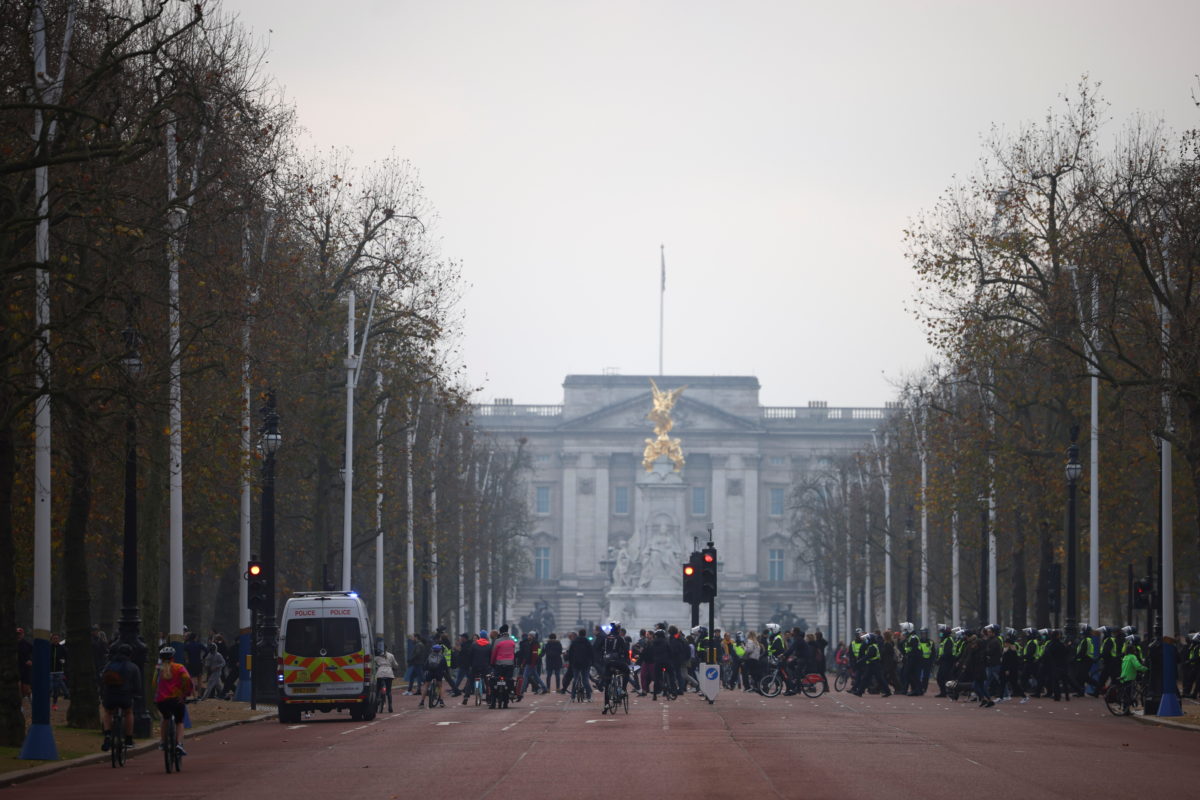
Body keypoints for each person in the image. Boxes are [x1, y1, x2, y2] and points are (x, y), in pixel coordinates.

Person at [99, 643, 141, 751]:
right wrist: (136, 694)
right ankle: (128, 739)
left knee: (108, 712)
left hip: (109, 695)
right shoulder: (133, 667)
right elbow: (137, 685)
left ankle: (107, 734)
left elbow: (102, 679)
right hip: (125, 696)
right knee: (128, 712)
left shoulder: (109, 665)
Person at [154, 646, 193, 756]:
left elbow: (153, 683)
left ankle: (162, 741)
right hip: (176, 699)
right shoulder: (179, 667)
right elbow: (188, 681)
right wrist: (185, 693)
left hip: (162, 700)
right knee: (179, 722)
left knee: (165, 718)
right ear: (173, 657)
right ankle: (179, 744)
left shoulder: (158, 668)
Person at [462, 630, 492, 705]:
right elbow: (491, 657)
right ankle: (489, 698)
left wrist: (470, 665)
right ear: (486, 637)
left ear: (480, 636)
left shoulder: (474, 644)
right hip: (485, 667)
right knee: (488, 682)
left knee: (470, 680)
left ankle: (466, 696)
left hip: (475, 666)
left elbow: (470, 655)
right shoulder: (489, 645)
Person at [566, 627, 593, 700]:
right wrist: (591, 662)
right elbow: (591, 653)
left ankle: (573, 696)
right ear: (585, 634)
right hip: (585, 663)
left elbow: (570, 653)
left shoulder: (574, 642)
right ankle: (589, 696)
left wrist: (571, 662)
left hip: (576, 663)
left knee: (575, 679)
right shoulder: (588, 642)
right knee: (585, 680)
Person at [421, 643, 449, 708]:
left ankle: (422, 702)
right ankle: (441, 702)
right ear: (440, 650)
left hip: (430, 672)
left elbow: (425, 666)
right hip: (438, 673)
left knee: (426, 686)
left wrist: (424, 671)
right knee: (440, 686)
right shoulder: (442, 657)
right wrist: (447, 674)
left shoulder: (429, 656)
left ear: (432, 650)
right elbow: (445, 667)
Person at [374, 644, 399, 711]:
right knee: (389, 691)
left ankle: (377, 702)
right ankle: (390, 706)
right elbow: (395, 665)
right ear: (386, 648)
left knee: (378, 689)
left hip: (380, 674)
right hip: (389, 674)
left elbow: (373, 663)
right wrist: (395, 667)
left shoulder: (377, 656)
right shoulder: (391, 655)